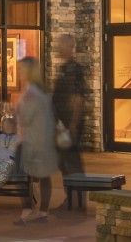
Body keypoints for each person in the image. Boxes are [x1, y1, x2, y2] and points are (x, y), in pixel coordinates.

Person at [14, 56, 56, 223]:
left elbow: (25, 118)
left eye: (22, 69)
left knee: (21, 177)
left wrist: (14, 112)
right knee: (44, 176)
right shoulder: (42, 91)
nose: (19, 72)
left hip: (30, 141)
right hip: (45, 139)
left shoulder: (30, 93)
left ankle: (27, 212)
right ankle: (43, 212)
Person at [53, 34, 88, 175]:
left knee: (72, 160)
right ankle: (72, 194)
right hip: (62, 123)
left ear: (70, 46)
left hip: (70, 123)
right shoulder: (63, 68)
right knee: (63, 161)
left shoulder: (74, 69)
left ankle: (78, 195)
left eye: (60, 44)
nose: (57, 47)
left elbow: (78, 98)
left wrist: (73, 124)